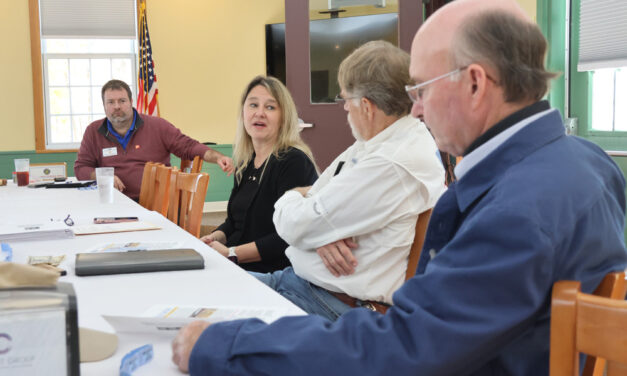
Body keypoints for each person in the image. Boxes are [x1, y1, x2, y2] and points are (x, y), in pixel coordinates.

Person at [171, 1, 627, 374]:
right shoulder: (588, 161)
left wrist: (226, 348)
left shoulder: (517, 209)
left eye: (422, 91)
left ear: (474, 84)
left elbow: (406, 349)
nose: (418, 111)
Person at [250, 40, 445, 321]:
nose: (344, 109)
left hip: (324, 304)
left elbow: (294, 225)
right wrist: (319, 231)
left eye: (345, 100)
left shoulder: (390, 162)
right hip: (302, 284)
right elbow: (310, 214)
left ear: (365, 106)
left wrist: (309, 217)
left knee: (204, 309)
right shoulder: (381, 141)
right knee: (209, 285)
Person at [200, 76, 318, 273]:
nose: (259, 113)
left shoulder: (293, 162)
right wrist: (216, 237)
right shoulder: (246, 163)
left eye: (270, 107)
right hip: (238, 265)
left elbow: (287, 236)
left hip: (274, 273)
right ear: (243, 113)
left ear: (284, 117)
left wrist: (232, 253)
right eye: (253, 105)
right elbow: (234, 221)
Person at [74, 79, 233, 201]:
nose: (117, 106)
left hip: (156, 205)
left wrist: (218, 157)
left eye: (122, 101)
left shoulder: (158, 126)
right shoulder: (93, 131)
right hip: (114, 203)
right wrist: (102, 176)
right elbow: (81, 168)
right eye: (111, 102)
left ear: (131, 102)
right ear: (104, 106)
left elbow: (189, 146)